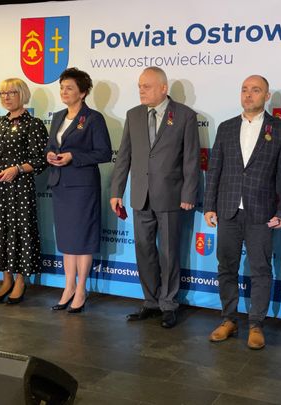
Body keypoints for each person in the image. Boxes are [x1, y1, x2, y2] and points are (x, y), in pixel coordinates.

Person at [203, 75, 281, 349]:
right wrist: (209, 205)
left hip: (262, 212)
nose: (248, 94)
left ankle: (256, 325)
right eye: (244, 89)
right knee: (226, 268)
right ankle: (228, 320)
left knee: (261, 270)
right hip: (228, 210)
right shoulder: (226, 127)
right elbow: (214, 169)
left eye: (255, 90)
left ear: (267, 96)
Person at [110, 67, 199, 328]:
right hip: (140, 195)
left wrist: (188, 193)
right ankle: (150, 301)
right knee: (144, 250)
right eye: (139, 86)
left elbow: (191, 159)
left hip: (171, 195)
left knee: (169, 253)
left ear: (163, 88)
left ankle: (168, 304)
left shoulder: (184, 115)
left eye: (146, 86)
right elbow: (124, 156)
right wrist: (116, 191)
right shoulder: (133, 115)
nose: (141, 90)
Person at [46, 68, 112, 313]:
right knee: (67, 240)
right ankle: (68, 287)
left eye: (70, 88)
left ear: (83, 93)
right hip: (60, 185)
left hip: (83, 188)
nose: (64, 92)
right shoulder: (58, 117)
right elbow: (51, 145)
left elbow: (104, 153)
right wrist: (50, 154)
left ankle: (81, 289)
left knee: (82, 240)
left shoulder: (93, 118)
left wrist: (74, 156)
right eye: (62, 87)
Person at [0, 78, 48, 304]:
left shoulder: (33, 124)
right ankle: (6, 279)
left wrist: (17, 169)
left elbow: (40, 160)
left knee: (21, 230)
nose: (6, 97)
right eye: (2, 93)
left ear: (22, 95)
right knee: (0, 230)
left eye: (11, 93)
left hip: (20, 188)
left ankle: (20, 280)